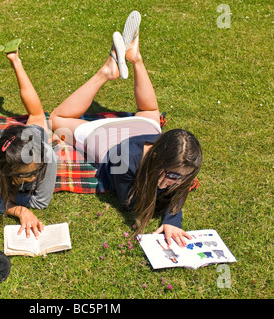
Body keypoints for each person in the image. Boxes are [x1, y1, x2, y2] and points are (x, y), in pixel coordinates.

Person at [49, 12, 202, 247]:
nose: (178, 183)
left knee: (150, 110)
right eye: (173, 176)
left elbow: (179, 189)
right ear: (158, 159)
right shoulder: (124, 163)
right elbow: (132, 204)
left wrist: (174, 219)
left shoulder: (177, 160)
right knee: (56, 119)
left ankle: (136, 58)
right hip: (106, 136)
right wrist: (163, 192)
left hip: (145, 126)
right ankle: (106, 72)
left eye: (184, 177)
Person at [0, 48, 57, 239]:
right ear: (6, 171)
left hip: (32, 136)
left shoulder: (46, 156)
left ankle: (16, 60)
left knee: (38, 115)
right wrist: (20, 210)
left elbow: (41, 203)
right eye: (28, 174)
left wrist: (7, 199)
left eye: (36, 171)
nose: (34, 178)